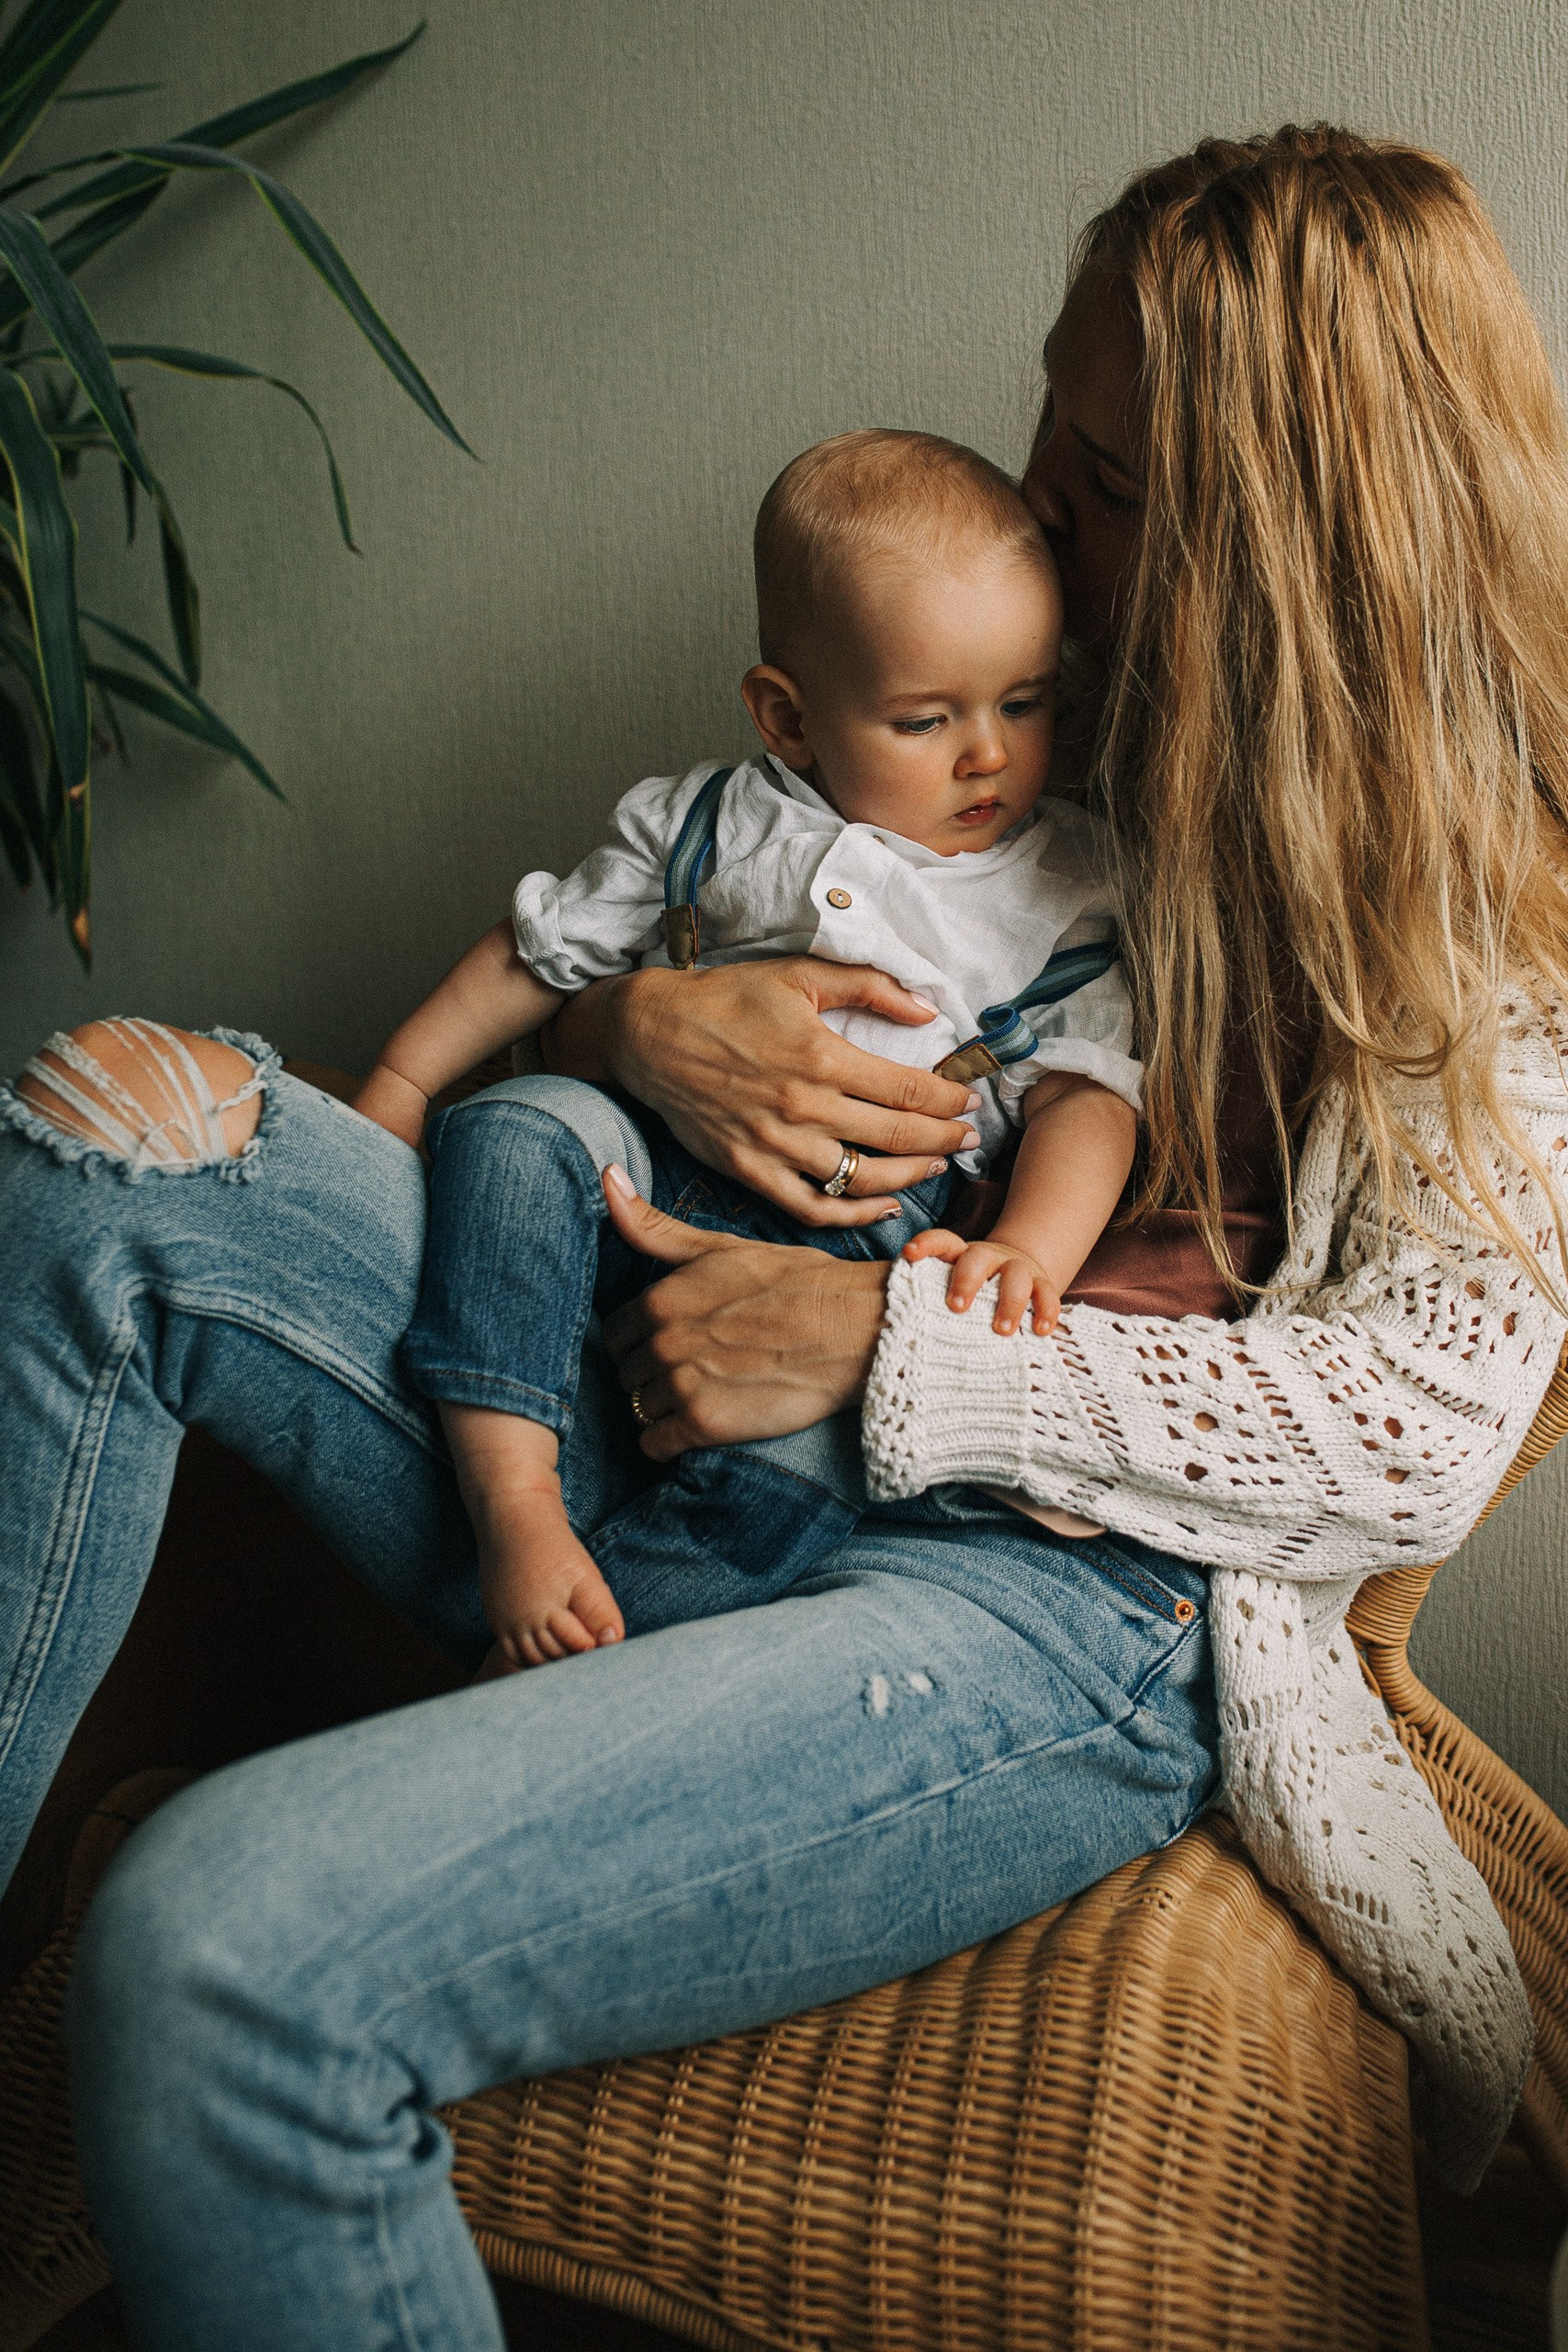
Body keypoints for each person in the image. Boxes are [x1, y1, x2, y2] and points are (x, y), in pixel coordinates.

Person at [0, 124, 1564, 2349]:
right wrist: (646, 1022)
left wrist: (885, 1348)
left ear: (1277, 533)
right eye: (1054, 419)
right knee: (103, 1158)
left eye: (1107, 482)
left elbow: (1400, 1428)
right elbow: (678, 898)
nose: (1040, 507)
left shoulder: (1488, 921)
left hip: (1033, 1578)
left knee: (208, 1948)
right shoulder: (985, 672)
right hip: (640, 1330)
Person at [362, 430, 1140, 1670]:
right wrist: (400, 1084)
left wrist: (1022, 1252)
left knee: (789, 1479)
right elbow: (537, 951)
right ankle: (511, 1496)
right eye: (925, 718)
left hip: (864, 1233)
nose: (987, 753)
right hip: (647, 1170)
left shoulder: (1066, 883)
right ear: (787, 717)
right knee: (511, 1130)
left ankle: (576, 1651)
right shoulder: (709, 824)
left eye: (1026, 702)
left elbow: (1092, 1097)